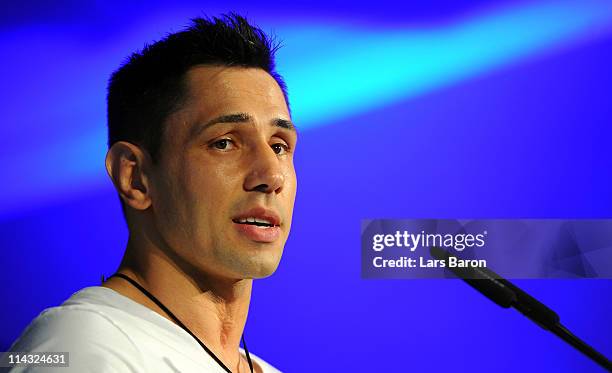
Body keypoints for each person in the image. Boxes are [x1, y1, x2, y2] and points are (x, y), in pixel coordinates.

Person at [6, 13, 297, 373]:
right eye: (224, 143)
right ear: (136, 177)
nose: (270, 175)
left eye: (280, 145)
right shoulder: (83, 348)